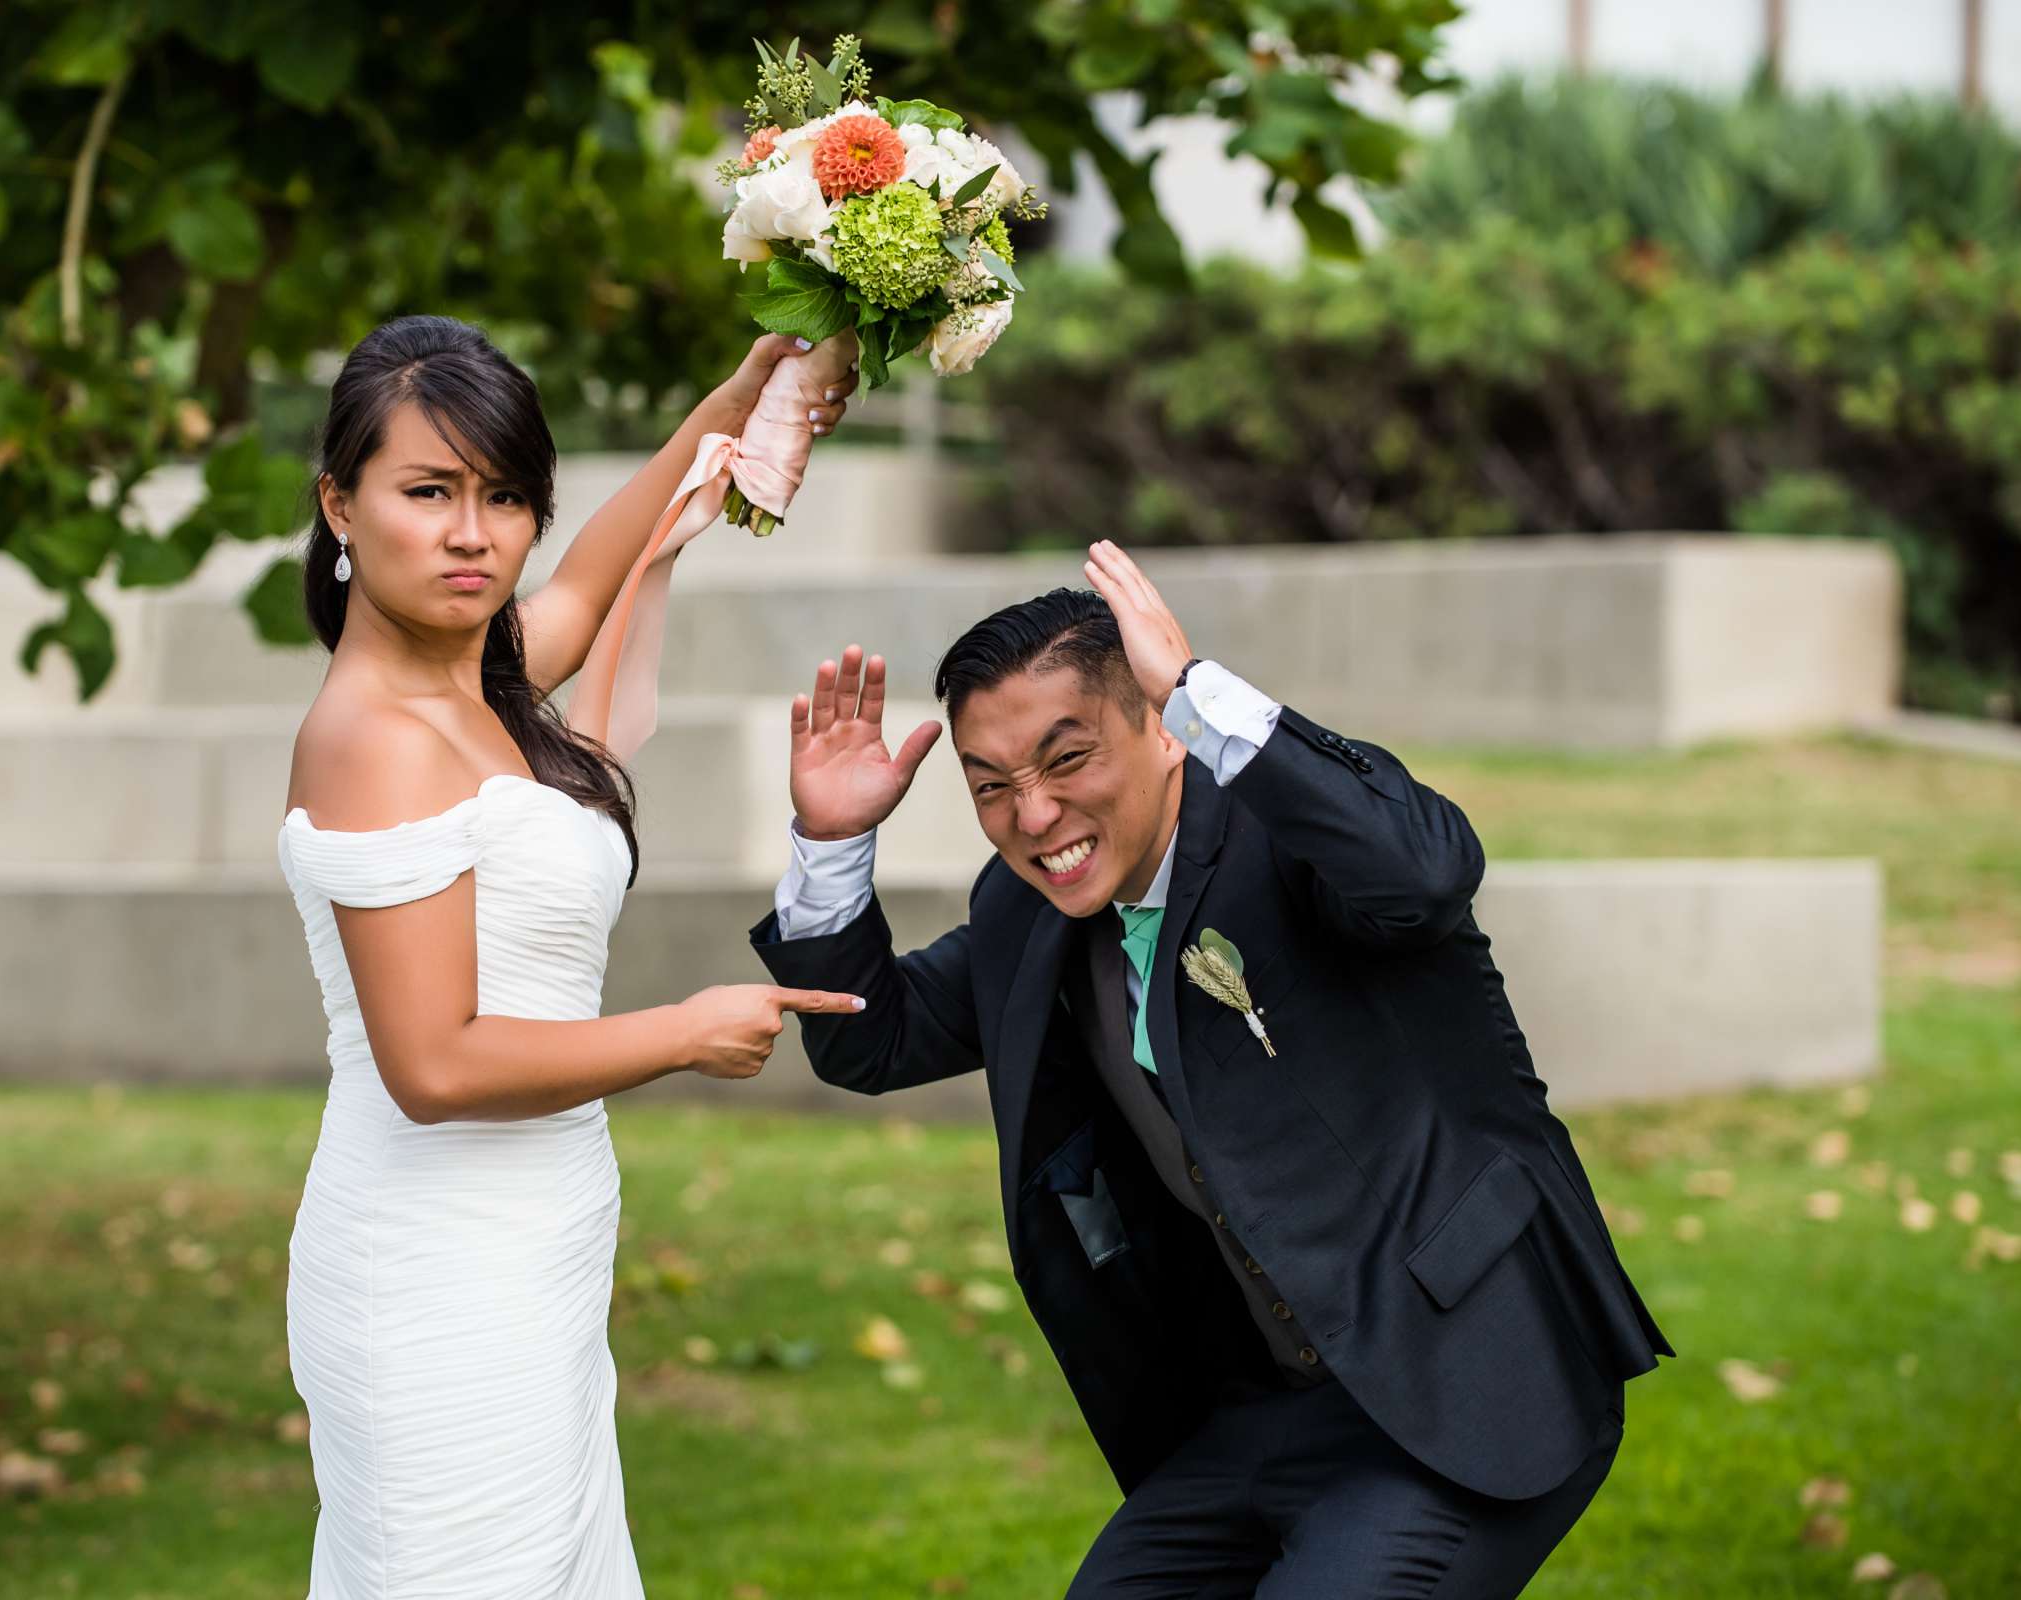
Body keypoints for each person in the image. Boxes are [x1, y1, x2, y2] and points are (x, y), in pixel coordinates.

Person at [751, 541, 1674, 1598]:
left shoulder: (1292, 839)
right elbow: (873, 1040)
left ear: (1163, 735)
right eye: (991, 784)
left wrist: (1200, 692)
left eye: (1066, 760)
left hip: (1467, 1377)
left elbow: (1425, 874)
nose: (1034, 815)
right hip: (1262, 1412)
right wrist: (829, 842)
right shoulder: (1026, 910)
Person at [273, 313, 863, 1599]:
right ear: (340, 502)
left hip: (534, 1247)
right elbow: (432, 1062)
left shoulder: (481, 691)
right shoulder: (373, 736)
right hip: (432, 1265)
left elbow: (594, 582)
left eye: (507, 497)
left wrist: (740, 394)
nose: (474, 533)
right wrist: (684, 1034)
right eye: (427, 492)